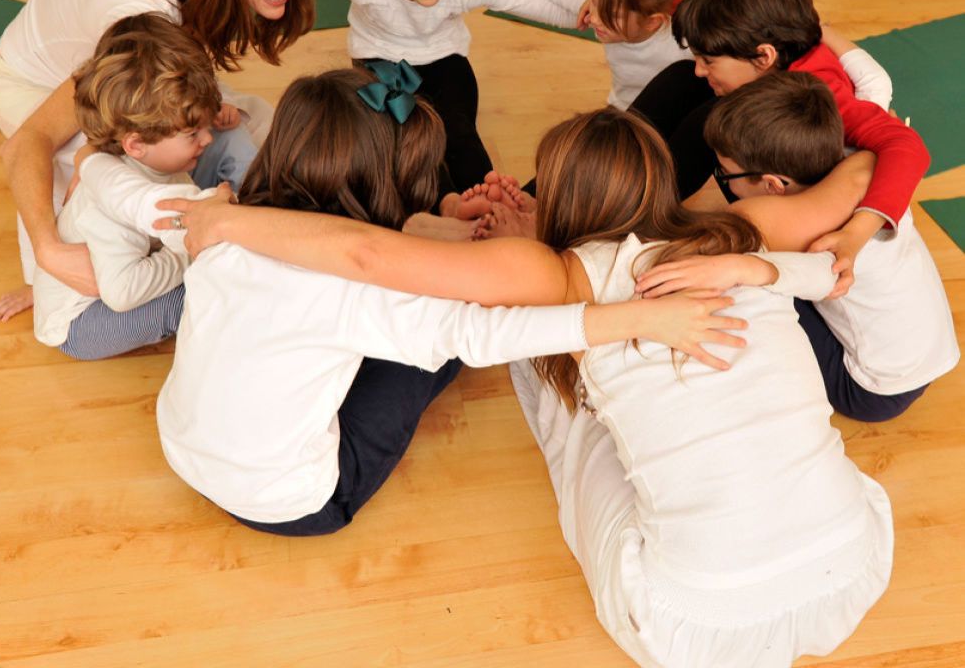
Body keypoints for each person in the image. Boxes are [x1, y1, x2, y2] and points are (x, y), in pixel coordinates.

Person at [150, 105, 891, 665]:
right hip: (854, 571)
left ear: (563, 199)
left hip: (691, 629)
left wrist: (230, 223)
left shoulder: (548, 275)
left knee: (554, 382)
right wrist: (757, 270)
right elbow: (860, 173)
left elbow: (369, 256)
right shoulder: (738, 233)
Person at [79, 66, 749, 536]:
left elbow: (97, 167)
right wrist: (635, 318)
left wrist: (447, 219)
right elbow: (479, 333)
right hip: (291, 502)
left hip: (182, 444)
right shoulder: (368, 291)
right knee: (434, 352)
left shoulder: (217, 222)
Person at [0, 0, 376, 322]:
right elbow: (27, 141)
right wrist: (49, 254)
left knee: (251, 120)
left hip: (126, 62)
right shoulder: (142, 16)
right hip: (35, 86)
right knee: (106, 172)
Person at [638, 71, 959, 422]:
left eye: (725, 173)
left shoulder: (807, 235)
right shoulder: (861, 160)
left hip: (870, 389)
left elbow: (822, 276)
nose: (721, 179)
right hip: (932, 350)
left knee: (744, 289)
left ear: (774, 185)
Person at [629, 0, 929, 294]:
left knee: (712, 120)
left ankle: (638, 217)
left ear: (764, 57)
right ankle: (605, 167)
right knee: (682, 78)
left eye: (709, 60)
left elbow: (907, 146)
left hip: (797, 214)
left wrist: (857, 231)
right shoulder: (783, 42)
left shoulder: (820, 96)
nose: (702, 68)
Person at [309, 0, 577, 195]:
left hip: (444, 60)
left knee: (460, 136)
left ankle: (489, 208)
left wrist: (587, 15)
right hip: (381, 64)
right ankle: (449, 212)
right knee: (412, 148)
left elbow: (528, 1)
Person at [32, 14, 221, 360]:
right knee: (197, 293)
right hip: (81, 323)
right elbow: (122, 292)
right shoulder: (109, 207)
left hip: (111, 283)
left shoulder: (159, 162)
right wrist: (185, 253)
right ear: (136, 145)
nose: (208, 139)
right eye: (193, 134)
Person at [490, 0, 694, 110]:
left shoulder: (686, 47)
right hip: (622, 111)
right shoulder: (606, 11)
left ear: (652, 22)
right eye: (593, 0)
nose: (594, 18)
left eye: (610, 14)